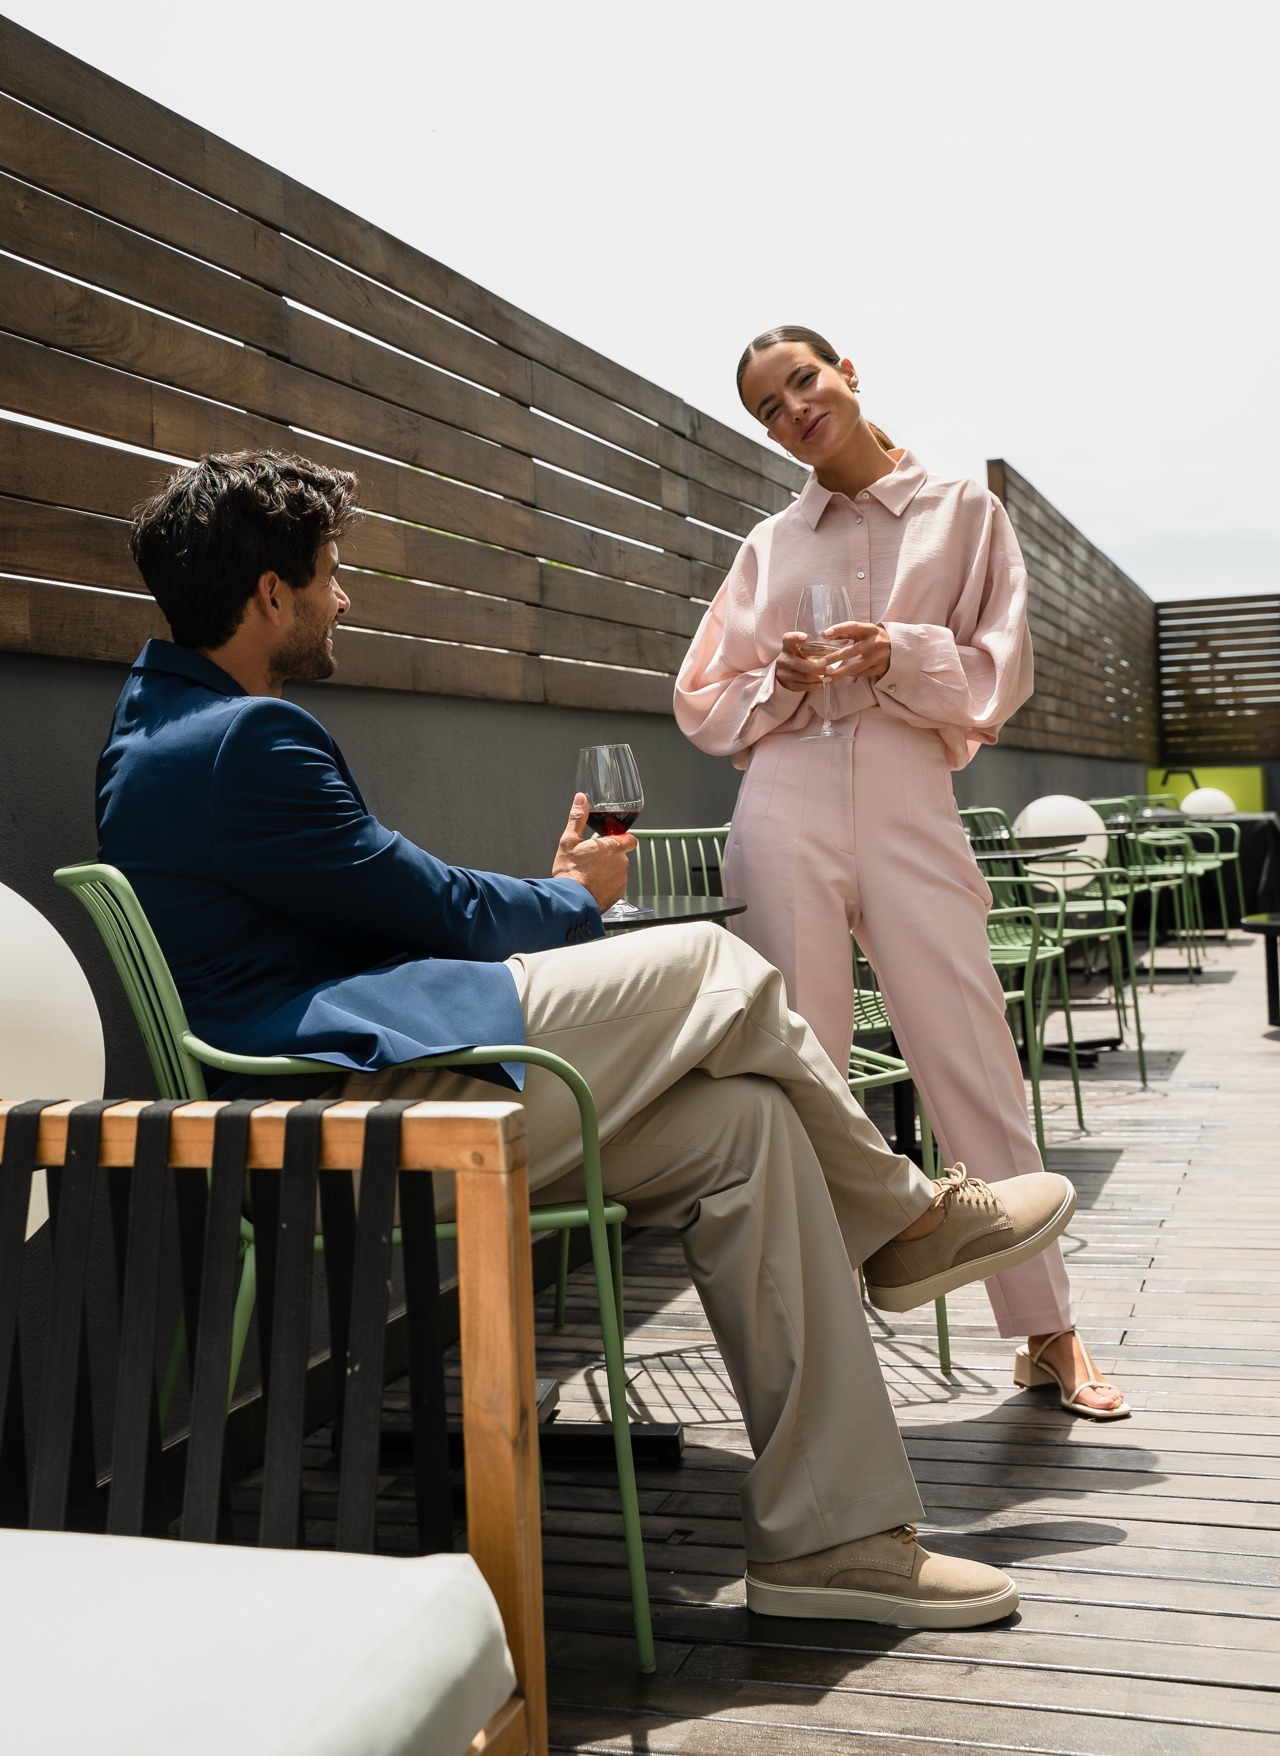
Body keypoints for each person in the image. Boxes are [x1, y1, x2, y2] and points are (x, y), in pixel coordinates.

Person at [98, 449, 1080, 1625]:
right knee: (712, 961)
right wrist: (571, 894)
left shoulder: (160, 730)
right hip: (360, 1121)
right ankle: (906, 1220)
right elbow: (433, 906)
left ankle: (830, 1538)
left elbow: (374, 909)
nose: (342, 597)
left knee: (745, 1123)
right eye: (329, 573)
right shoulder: (246, 740)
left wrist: (549, 895)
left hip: (355, 1091)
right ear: (270, 593)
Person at [674, 327, 1127, 1422]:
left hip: (908, 792)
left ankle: (1048, 1333)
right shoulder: (768, 544)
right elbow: (701, 696)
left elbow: (999, 668)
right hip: (782, 798)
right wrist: (781, 682)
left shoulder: (963, 512)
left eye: (801, 381)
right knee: (801, 1075)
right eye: (768, 408)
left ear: (845, 371)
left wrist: (901, 652)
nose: (793, 411)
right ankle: (820, 1351)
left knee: (971, 1051)